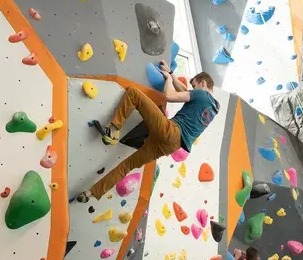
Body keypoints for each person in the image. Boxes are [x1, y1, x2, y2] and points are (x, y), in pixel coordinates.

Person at [76, 64, 219, 202]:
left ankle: (112, 130)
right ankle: (91, 193)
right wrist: (171, 74)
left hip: (170, 130)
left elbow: (169, 96)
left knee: (133, 94)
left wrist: (168, 79)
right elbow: (185, 91)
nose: (192, 88)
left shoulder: (200, 95)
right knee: (127, 166)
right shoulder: (213, 108)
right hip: (172, 146)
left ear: (203, 83)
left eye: (195, 85)